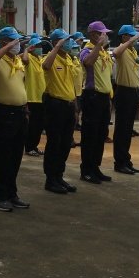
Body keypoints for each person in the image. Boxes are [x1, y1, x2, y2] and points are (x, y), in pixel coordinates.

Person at [0, 26, 30, 212]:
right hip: (3, 113)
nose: (18, 44)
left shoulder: (16, 60)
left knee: (15, 156)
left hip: (19, 113)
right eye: (14, 41)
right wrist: (3, 47)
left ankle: (12, 193)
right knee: (2, 157)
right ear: (4, 42)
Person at [41, 29, 78, 195]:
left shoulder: (69, 58)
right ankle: (50, 179)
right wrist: (56, 47)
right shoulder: (50, 57)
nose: (69, 43)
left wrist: (75, 106)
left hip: (68, 105)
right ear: (57, 42)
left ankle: (59, 175)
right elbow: (46, 66)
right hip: (55, 105)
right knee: (54, 143)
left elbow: (71, 84)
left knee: (65, 143)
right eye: (65, 41)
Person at [79, 21, 115, 184]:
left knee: (101, 135)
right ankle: (86, 170)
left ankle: (95, 167)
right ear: (93, 35)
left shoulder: (103, 52)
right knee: (90, 135)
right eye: (102, 33)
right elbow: (87, 63)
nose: (105, 36)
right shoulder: (86, 50)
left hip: (104, 98)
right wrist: (98, 46)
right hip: (92, 96)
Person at [112, 25, 139, 174]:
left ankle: (126, 160)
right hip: (123, 91)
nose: (134, 40)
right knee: (121, 129)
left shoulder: (132, 51)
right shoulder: (122, 49)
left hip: (133, 92)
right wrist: (128, 42)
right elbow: (116, 52)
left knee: (128, 129)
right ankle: (119, 162)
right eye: (130, 37)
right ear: (124, 37)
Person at [22, 37, 47, 156]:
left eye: (40, 46)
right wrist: (27, 49)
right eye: (37, 46)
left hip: (41, 97)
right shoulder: (29, 58)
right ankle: (29, 147)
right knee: (32, 125)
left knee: (39, 125)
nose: (40, 48)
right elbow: (24, 59)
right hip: (31, 97)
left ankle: (34, 146)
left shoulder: (40, 59)